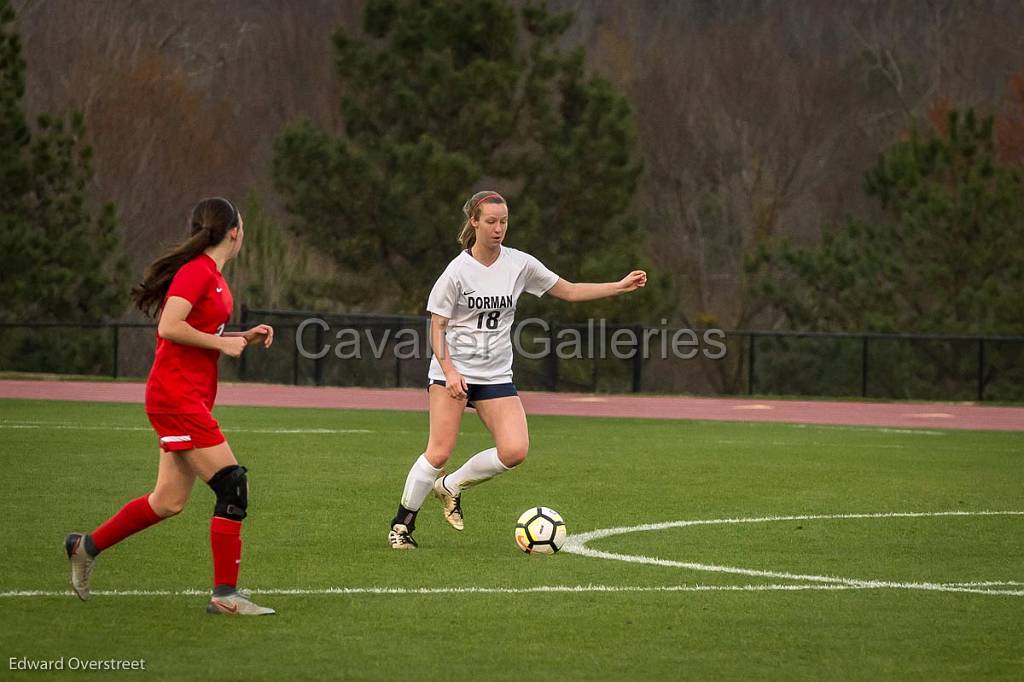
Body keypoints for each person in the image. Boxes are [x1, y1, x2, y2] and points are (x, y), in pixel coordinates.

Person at [388, 190, 648, 548]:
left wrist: (617, 287)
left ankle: (451, 486)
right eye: (491, 221)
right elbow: (436, 326)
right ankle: (402, 525)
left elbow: (569, 291)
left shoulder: (520, 264)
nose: (498, 228)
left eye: (504, 221)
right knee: (439, 451)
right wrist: (449, 371)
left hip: (495, 375)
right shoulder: (457, 271)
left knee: (515, 450)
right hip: (454, 372)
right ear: (474, 222)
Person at [64, 197, 277, 615]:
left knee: (168, 501)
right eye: (243, 226)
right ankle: (225, 595)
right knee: (233, 485)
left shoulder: (211, 275)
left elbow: (194, 326)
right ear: (234, 231)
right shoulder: (197, 271)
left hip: (187, 396)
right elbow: (169, 326)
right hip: (175, 397)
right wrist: (222, 343)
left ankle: (84, 547)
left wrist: (240, 335)